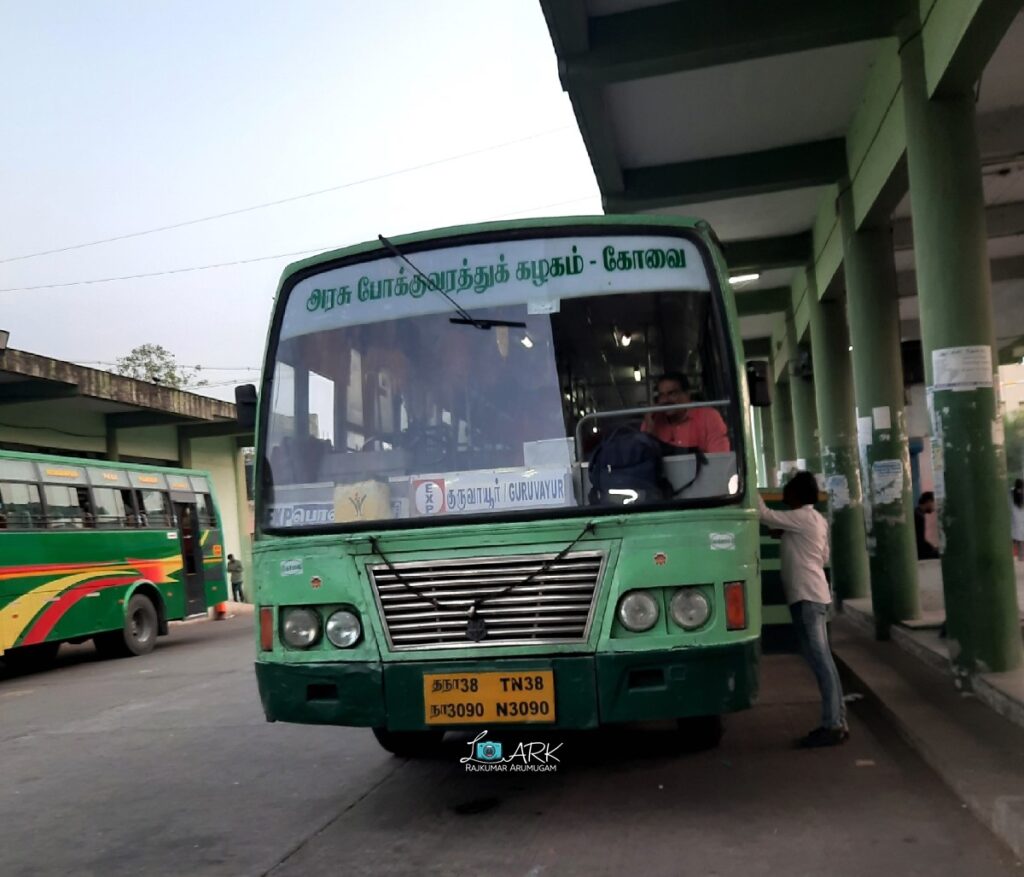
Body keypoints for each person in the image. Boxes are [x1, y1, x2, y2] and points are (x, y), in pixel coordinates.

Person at [757, 471, 849, 748]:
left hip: (807, 597)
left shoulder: (802, 517)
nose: (785, 494)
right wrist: (789, 536)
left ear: (797, 494)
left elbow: (764, 515)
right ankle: (838, 720)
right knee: (823, 660)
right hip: (814, 594)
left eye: (789, 490)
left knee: (820, 661)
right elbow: (822, 555)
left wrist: (749, 487)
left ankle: (832, 725)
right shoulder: (816, 519)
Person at [641, 372, 730, 453]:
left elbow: (720, 457)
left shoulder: (709, 417)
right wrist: (649, 432)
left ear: (687, 394)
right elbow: (643, 457)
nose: (665, 400)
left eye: (672, 394)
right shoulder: (652, 419)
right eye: (661, 395)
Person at [915, 491, 940, 559]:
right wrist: (933, 549)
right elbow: (920, 541)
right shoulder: (919, 516)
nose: (934, 506)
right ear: (928, 502)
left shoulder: (917, 513)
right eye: (934, 503)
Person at [1011, 480, 1024, 561]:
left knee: (1014, 538)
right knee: (1020, 539)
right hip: (1020, 519)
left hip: (1014, 519)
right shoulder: (1021, 494)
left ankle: (1019, 557)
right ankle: (1020, 557)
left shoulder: (1011, 492)